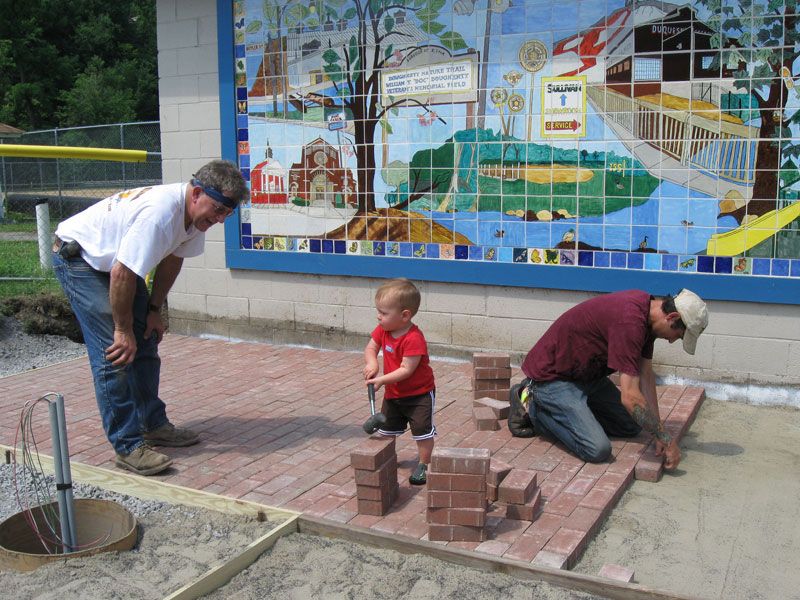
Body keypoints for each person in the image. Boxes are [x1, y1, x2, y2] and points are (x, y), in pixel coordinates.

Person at [52, 160, 248, 476]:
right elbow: (122, 272)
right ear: (197, 193)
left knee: (146, 341)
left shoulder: (195, 218)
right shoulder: (160, 215)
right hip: (83, 260)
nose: (221, 219)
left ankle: (152, 425)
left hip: (118, 267)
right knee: (114, 354)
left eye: (227, 213)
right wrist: (122, 328)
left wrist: (154, 311)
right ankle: (128, 446)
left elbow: (172, 259)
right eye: (218, 209)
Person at [515, 289, 708, 470]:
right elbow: (630, 398)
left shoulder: (648, 317)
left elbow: (646, 376)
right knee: (597, 449)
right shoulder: (630, 322)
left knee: (633, 424)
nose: (673, 340)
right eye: (678, 335)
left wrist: (658, 431)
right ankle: (531, 402)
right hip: (553, 378)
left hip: (586, 377)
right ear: (671, 317)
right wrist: (666, 439)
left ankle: (573, 413)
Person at [363, 278, 436, 485]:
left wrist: (380, 380)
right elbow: (371, 348)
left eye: (384, 313)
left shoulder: (414, 338)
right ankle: (386, 457)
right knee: (387, 430)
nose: (379, 317)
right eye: (378, 311)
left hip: (419, 394)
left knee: (422, 431)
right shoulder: (383, 330)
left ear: (405, 316)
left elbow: (406, 370)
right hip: (394, 394)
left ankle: (423, 464)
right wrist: (372, 365)